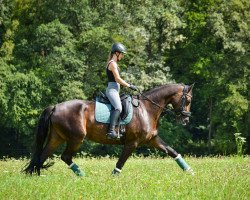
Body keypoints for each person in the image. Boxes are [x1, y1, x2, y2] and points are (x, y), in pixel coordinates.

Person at [106, 43, 137, 139]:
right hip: (112, 90)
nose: (123, 56)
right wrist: (129, 85)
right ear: (116, 53)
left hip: (115, 90)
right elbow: (118, 79)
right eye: (122, 54)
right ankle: (111, 131)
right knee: (118, 107)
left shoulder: (114, 64)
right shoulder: (112, 64)